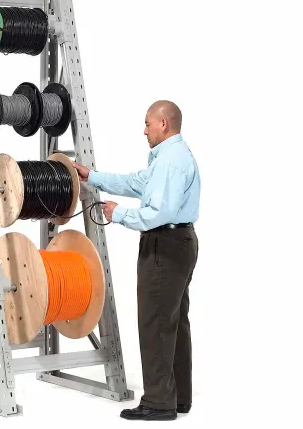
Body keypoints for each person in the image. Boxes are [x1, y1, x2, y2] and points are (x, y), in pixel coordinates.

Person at [73, 100, 200, 421]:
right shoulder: (171, 156)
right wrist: (93, 176)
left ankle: (158, 403)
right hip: (179, 242)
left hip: (164, 245)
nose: (144, 131)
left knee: (156, 322)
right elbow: (137, 183)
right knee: (173, 322)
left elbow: (159, 213)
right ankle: (178, 398)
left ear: (163, 124)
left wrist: (119, 214)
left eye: (147, 124)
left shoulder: (170, 161)